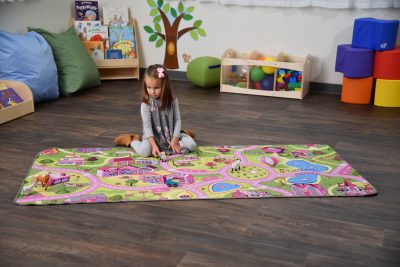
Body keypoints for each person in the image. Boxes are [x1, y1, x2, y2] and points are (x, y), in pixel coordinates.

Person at [115, 64, 197, 157]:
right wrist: (153, 145)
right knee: (145, 152)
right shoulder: (145, 104)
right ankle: (132, 140)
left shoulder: (173, 100)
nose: (152, 91)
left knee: (192, 146)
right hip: (153, 137)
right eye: (149, 87)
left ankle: (183, 133)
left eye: (156, 88)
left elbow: (177, 119)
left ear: (165, 86)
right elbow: (147, 126)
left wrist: (175, 139)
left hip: (171, 134)